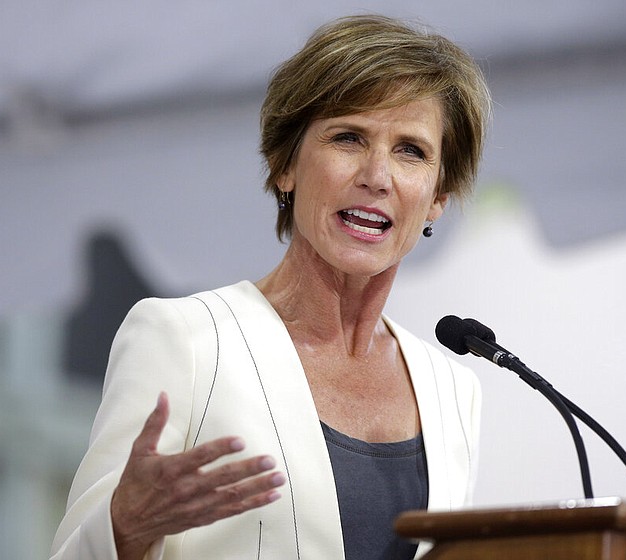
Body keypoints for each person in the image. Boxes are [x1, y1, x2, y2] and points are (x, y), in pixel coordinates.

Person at [50, 13, 491, 560]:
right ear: (286, 166)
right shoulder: (184, 340)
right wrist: (124, 529)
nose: (377, 176)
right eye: (349, 138)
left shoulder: (453, 388)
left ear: (438, 196)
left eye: (411, 151)